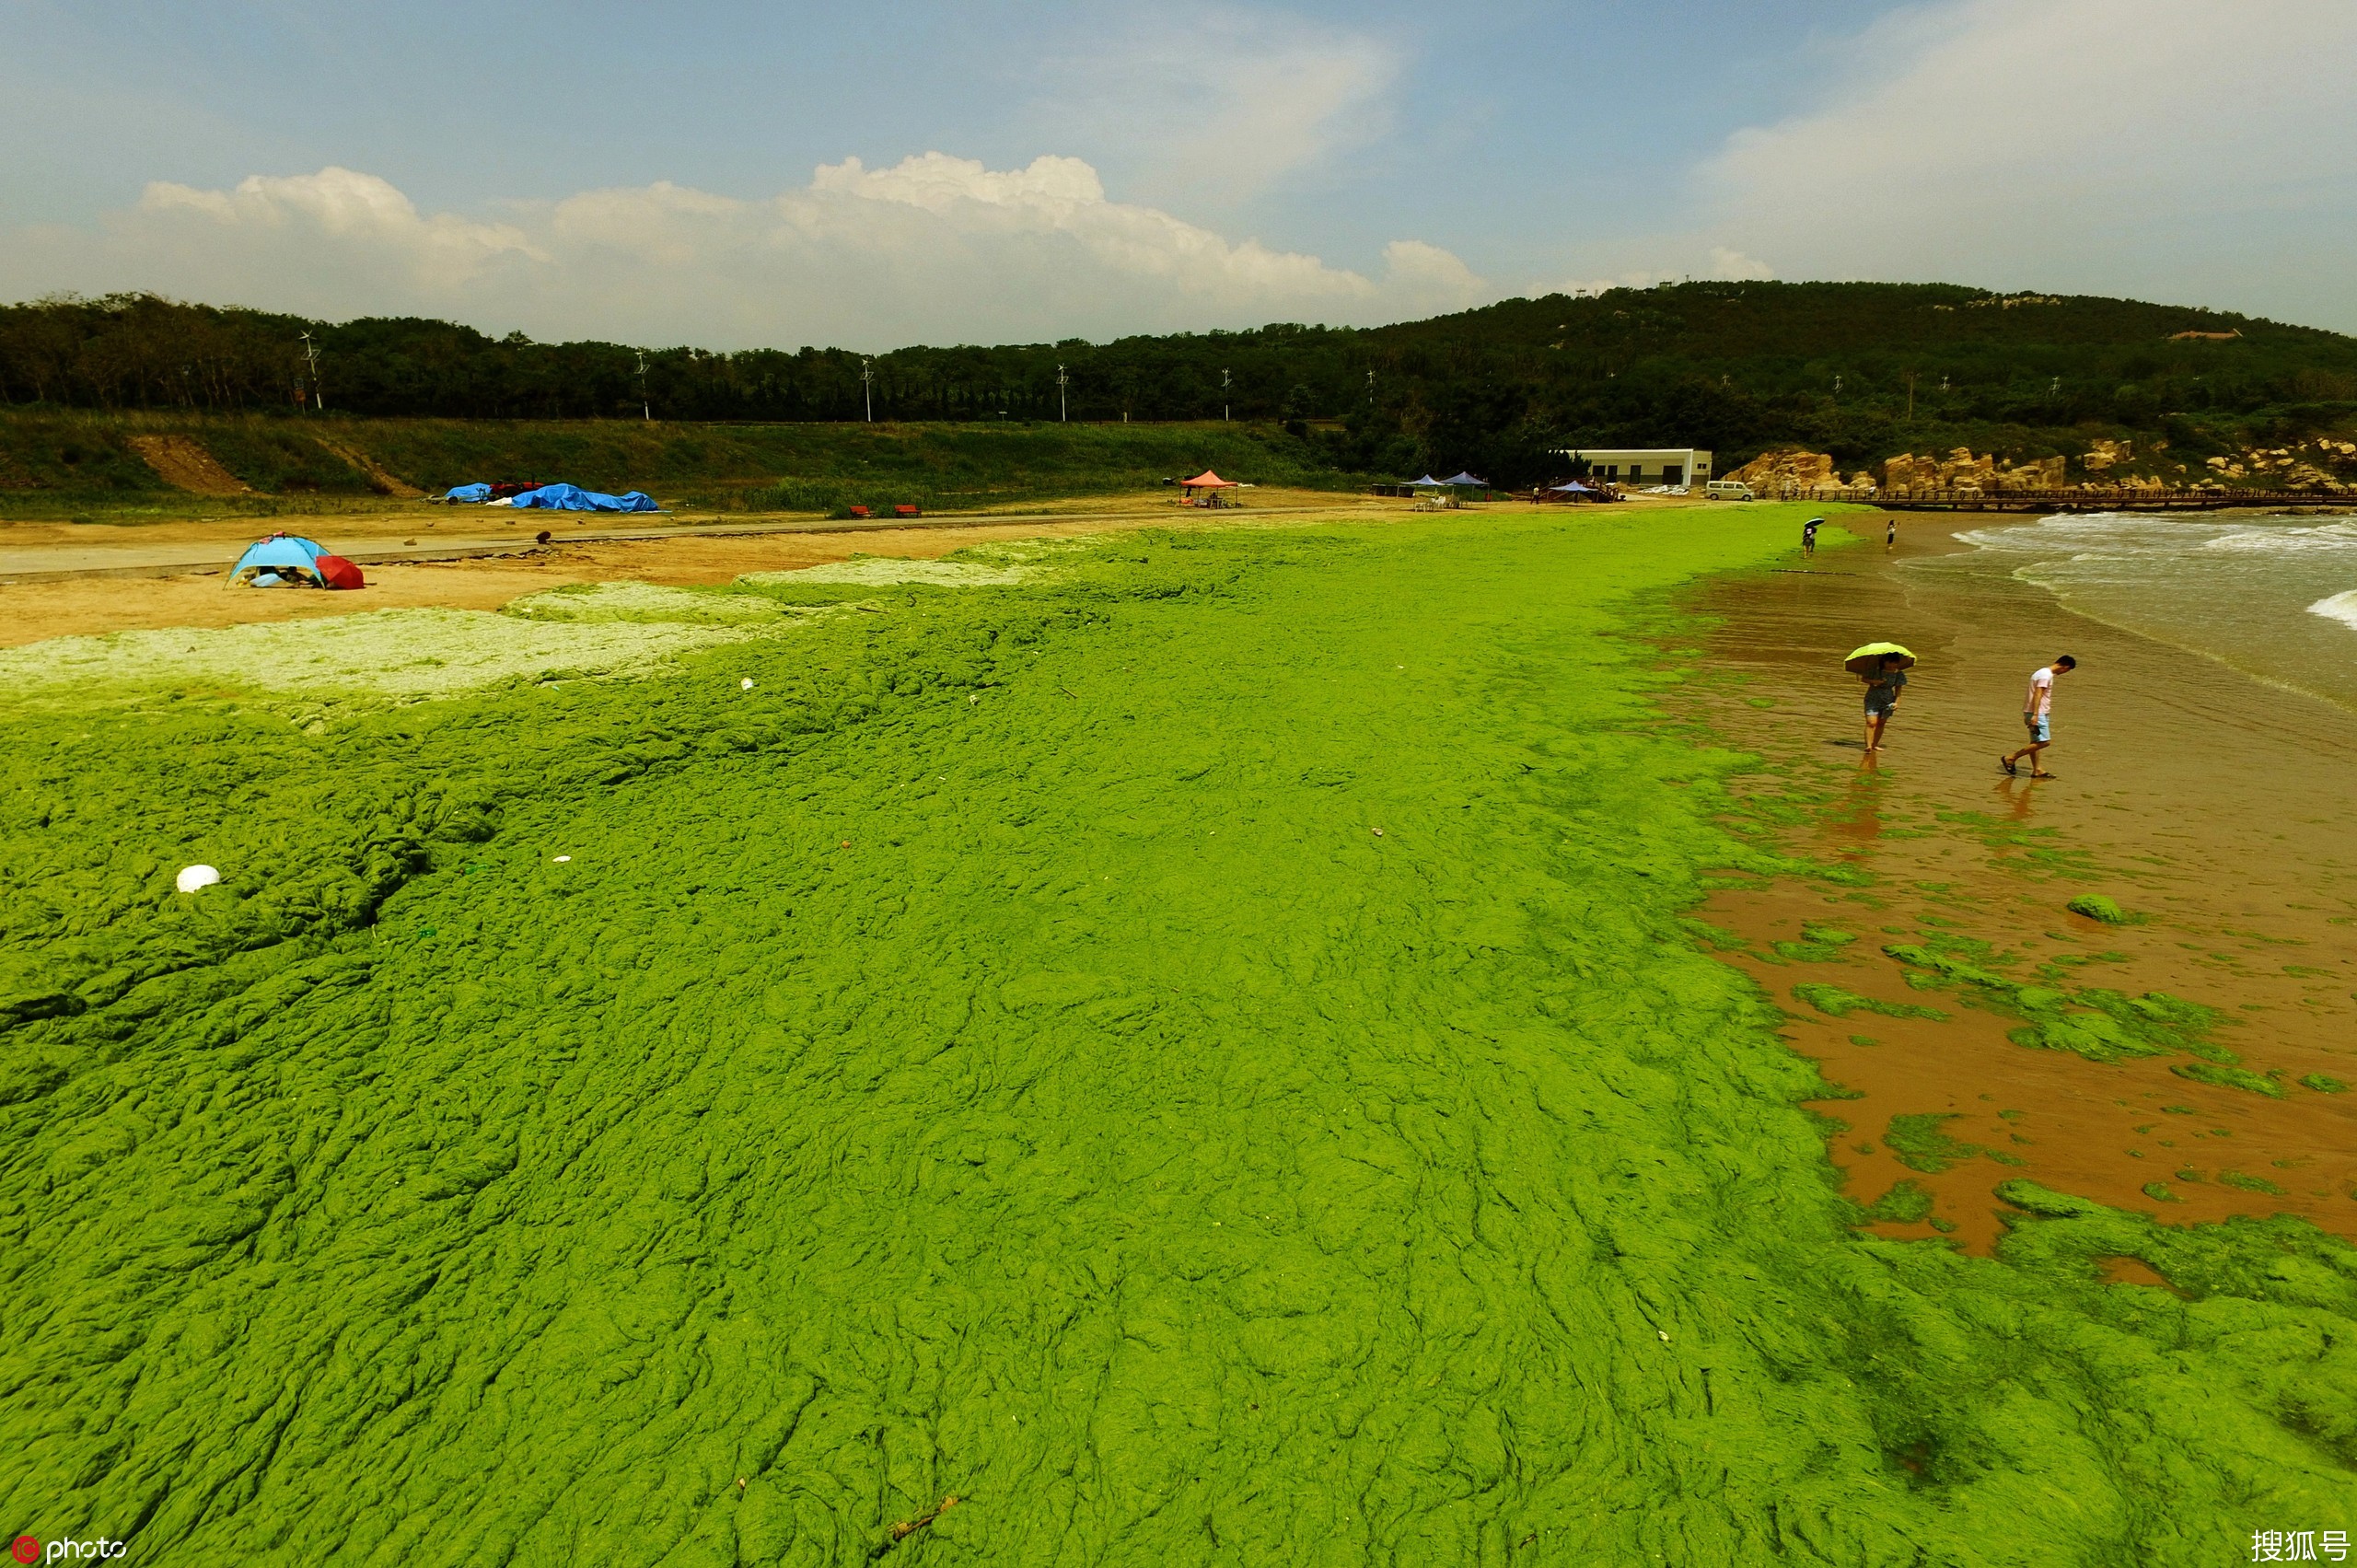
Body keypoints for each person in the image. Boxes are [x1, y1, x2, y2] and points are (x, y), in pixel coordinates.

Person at [2002, 656, 2077, 777]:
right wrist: (2035, 714)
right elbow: (2038, 693)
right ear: (2065, 667)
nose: (2063, 673)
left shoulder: (2041, 672)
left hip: (2032, 711)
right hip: (2038, 713)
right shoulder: (2045, 676)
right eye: (2067, 671)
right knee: (2045, 742)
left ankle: (2037, 769)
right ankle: (2011, 758)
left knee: (2035, 742)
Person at [1860, 652, 1907, 751]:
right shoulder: (1876, 671)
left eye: (1894, 663)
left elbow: (1898, 690)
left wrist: (1897, 702)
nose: (1891, 665)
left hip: (1888, 700)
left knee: (1881, 723)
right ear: (1884, 662)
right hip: (1872, 698)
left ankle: (1875, 744)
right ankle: (1868, 745)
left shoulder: (1898, 674)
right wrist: (1874, 682)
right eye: (1889, 662)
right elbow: (1863, 679)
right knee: (1871, 722)